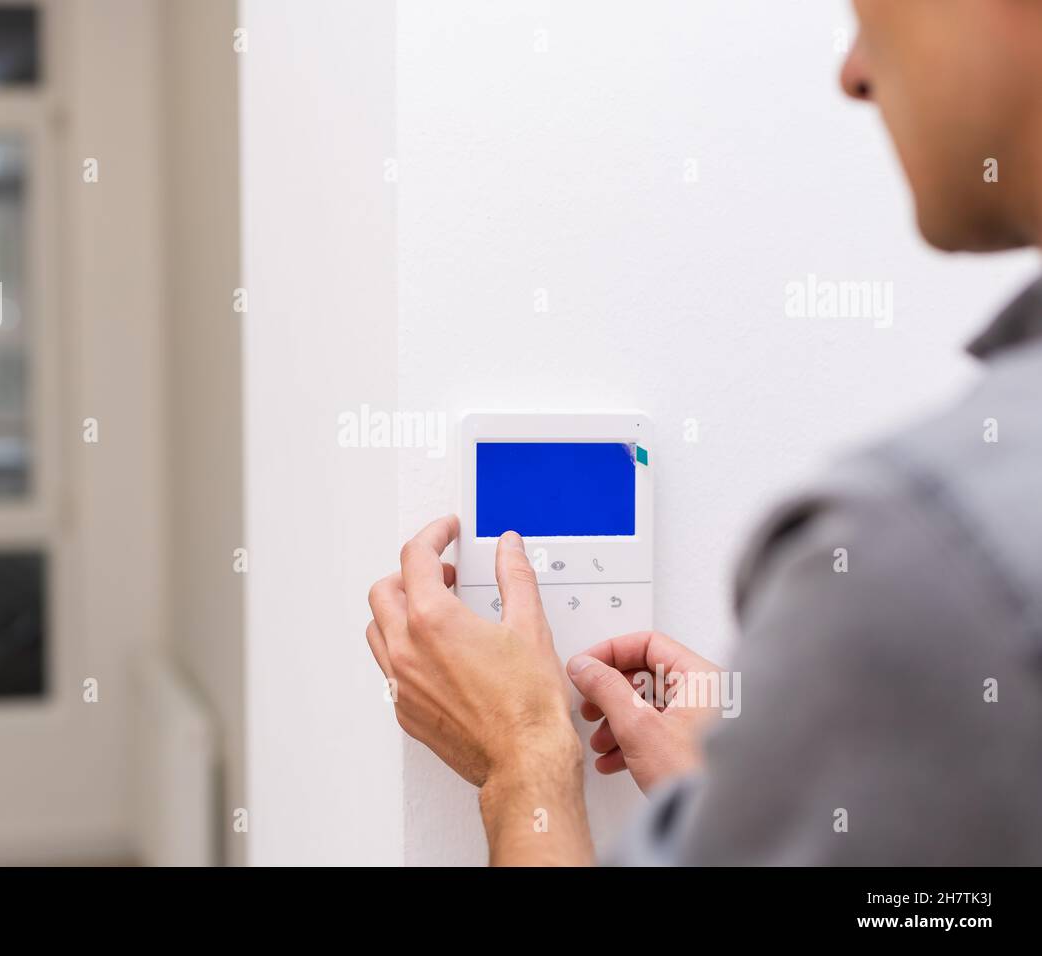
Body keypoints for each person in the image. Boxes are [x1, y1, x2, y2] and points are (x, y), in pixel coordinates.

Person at [365, 0, 1042, 865]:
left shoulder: (920, 548)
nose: (854, 73)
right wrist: (730, 812)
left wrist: (522, 759)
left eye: (875, 17)